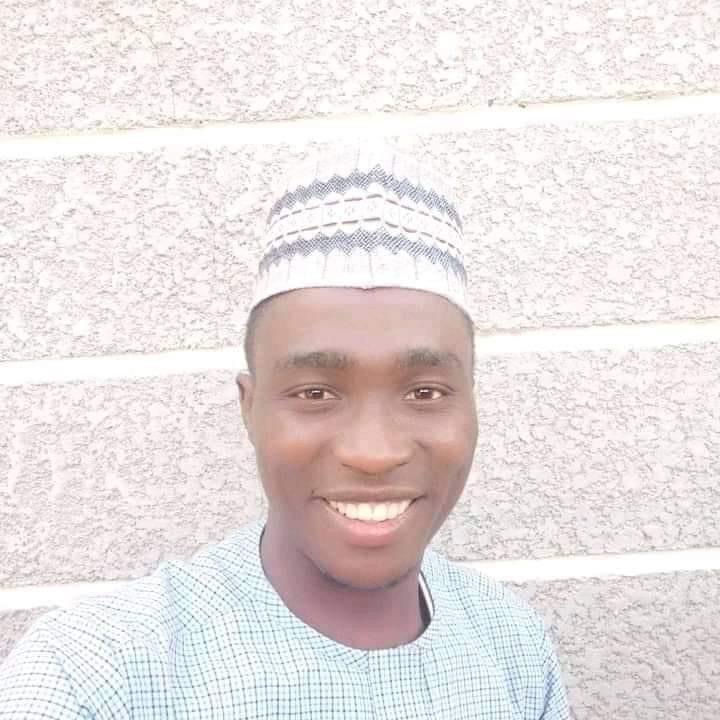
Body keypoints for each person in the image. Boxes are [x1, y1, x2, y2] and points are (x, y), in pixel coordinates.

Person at [0, 145, 571, 718]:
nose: (374, 453)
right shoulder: (94, 675)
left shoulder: (512, 646)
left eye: (425, 392)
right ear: (250, 410)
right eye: (315, 394)